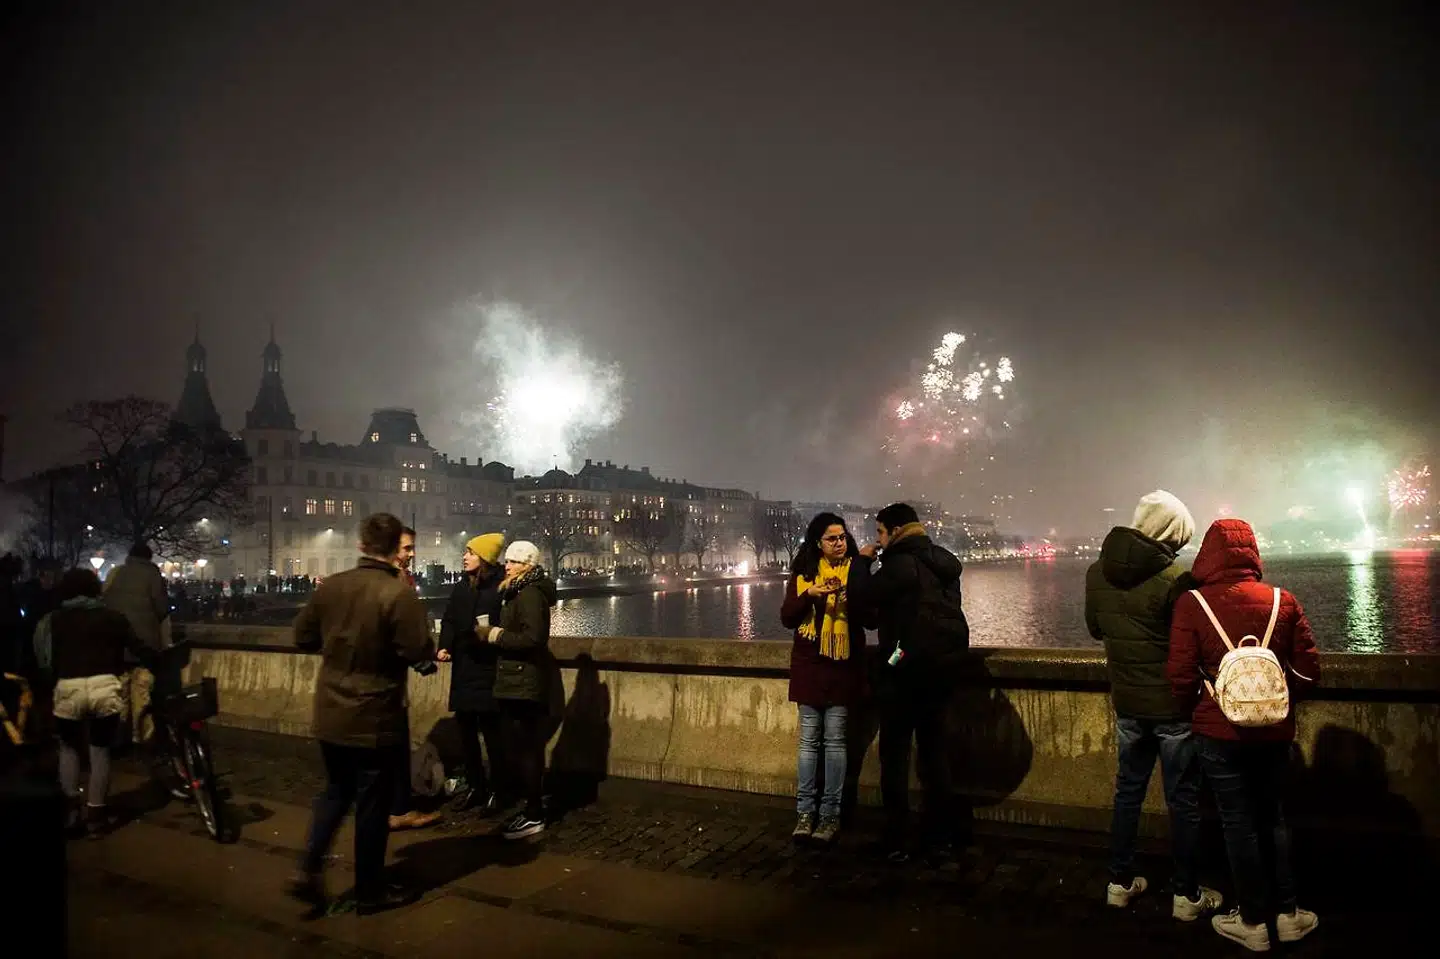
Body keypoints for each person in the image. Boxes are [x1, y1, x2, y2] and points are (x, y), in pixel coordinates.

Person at [1167, 518, 1321, 952]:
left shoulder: (1192, 605)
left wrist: (1200, 707)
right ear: (1252, 551)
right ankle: (1288, 914)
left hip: (1218, 734)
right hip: (1274, 733)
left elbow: (1179, 678)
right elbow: (1309, 672)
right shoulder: (1282, 600)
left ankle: (1252, 921)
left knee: (1238, 823)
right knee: (1273, 817)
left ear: (1208, 554)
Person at [1086, 490, 1223, 920]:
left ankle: (1119, 882)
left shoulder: (1096, 572)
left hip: (1127, 702)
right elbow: (1193, 646)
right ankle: (1185, 895)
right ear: (1170, 535)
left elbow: (1095, 628)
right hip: (1173, 711)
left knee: (1128, 792)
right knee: (1182, 798)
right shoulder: (1175, 581)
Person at [288, 513, 434, 915]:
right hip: (375, 714)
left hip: (331, 709)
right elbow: (419, 650)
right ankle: (369, 891)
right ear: (396, 548)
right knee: (372, 803)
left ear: (361, 545)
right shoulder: (397, 594)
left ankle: (308, 866)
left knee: (335, 791)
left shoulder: (331, 588)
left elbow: (302, 638)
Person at [855, 502, 968, 862]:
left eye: (879, 533)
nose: (877, 540)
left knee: (896, 755)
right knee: (935, 754)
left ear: (895, 531)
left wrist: (862, 561)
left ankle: (898, 837)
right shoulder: (942, 562)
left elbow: (861, 600)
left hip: (903, 666)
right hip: (941, 668)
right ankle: (942, 836)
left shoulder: (899, 564)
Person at [779, 512, 871, 844]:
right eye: (832, 538)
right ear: (818, 543)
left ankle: (830, 814)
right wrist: (811, 596)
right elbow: (788, 618)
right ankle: (805, 813)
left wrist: (853, 597)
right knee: (808, 743)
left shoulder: (857, 573)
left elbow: (870, 618)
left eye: (842, 537)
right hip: (810, 666)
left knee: (835, 744)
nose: (839, 543)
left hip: (843, 666)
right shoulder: (803, 575)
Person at [32, 568, 145, 838]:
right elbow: (137, 646)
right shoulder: (114, 618)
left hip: (69, 686)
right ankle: (96, 815)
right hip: (105, 685)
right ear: (96, 589)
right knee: (100, 751)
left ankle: (71, 811)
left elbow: (43, 659)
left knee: (69, 749)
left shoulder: (52, 621)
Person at [479, 540, 556, 840]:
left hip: (523, 682)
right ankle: (531, 808)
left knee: (526, 748)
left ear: (527, 565)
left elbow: (533, 638)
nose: (506, 566)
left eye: (512, 562)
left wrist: (495, 635)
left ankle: (534, 813)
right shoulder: (520, 592)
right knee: (524, 748)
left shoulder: (528, 595)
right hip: (518, 680)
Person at [437, 533, 507, 815]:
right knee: (466, 731)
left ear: (485, 559)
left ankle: (499, 790)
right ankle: (477, 786)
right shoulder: (462, 586)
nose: (464, 557)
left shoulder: (500, 588)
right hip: (465, 666)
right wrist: (444, 646)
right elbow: (450, 619)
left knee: (493, 734)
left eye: (470, 553)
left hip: (488, 666)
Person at [387, 526, 443, 832]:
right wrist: (421, 656)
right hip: (386, 680)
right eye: (407, 548)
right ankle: (398, 809)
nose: (412, 554)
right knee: (394, 744)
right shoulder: (394, 580)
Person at [102, 542, 170, 747]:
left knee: (120, 692)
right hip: (144, 644)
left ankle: (119, 735)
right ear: (149, 558)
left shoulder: (116, 573)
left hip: (118, 643)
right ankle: (142, 736)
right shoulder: (152, 575)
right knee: (142, 692)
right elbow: (162, 608)